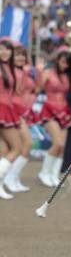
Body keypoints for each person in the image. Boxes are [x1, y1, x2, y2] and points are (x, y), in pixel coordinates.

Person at [38, 47, 71, 187]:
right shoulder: (47, 72)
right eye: (63, 61)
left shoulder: (68, 76)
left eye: (67, 63)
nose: (65, 65)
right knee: (57, 143)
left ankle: (54, 175)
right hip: (49, 110)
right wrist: (39, 72)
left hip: (64, 110)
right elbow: (37, 88)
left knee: (62, 146)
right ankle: (44, 173)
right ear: (57, 60)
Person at [5, 42, 36, 192]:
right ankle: (10, 178)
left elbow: (35, 89)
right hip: (13, 110)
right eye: (17, 54)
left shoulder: (22, 71)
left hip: (22, 110)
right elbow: (15, 90)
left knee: (14, 147)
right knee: (25, 144)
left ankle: (13, 178)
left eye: (23, 54)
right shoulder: (12, 71)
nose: (21, 57)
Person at [0, 38, 22, 198]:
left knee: (5, 150)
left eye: (8, 49)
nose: (5, 51)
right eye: (2, 48)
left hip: (7, 109)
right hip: (2, 110)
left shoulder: (8, 67)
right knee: (17, 148)